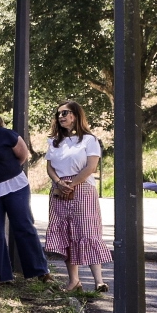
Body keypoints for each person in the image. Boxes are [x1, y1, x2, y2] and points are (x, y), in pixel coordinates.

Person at [0, 101, 49, 283]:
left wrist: (7, 171)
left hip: (14, 186)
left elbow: (22, 156)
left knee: (23, 225)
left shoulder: (6, 135)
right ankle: (1, 275)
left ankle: (39, 270)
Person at [44, 101, 112, 292]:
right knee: (66, 233)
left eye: (65, 113)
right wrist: (59, 183)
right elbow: (49, 167)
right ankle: (74, 281)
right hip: (59, 190)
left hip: (82, 188)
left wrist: (71, 185)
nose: (61, 117)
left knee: (88, 232)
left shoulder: (89, 140)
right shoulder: (55, 141)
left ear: (75, 115)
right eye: (58, 114)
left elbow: (91, 167)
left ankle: (99, 280)